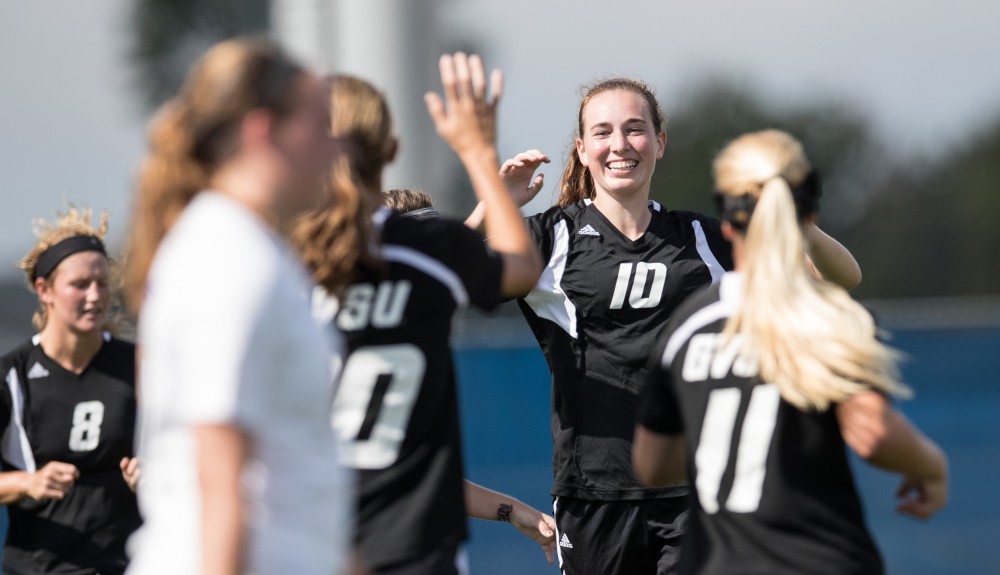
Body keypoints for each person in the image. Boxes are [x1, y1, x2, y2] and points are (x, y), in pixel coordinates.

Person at [488, 78, 864, 575]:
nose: (619, 144)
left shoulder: (701, 239)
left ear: (659, 142)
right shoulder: (551, 240)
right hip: (595, 494)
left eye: (635, 129)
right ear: (581, 150)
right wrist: (494, 203)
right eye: (602, 132)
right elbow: (446, 278)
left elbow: (839, 279)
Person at [632, 129, 948, 574]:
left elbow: (653, 464)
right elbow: (873, 433)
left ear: (726, 221)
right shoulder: (829, 315)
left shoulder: (688, 325)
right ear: (809, 211)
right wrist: (931, 465)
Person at [290, 56, 550, 573]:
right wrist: (478, 155)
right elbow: (516, 267)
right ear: (391, 150)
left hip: (304, 543)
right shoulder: (426, 252)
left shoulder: (278, 262)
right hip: (412, 545)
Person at [121, 37, 351, 575]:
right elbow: (220, 487)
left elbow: (285, 476)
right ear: (263, 130)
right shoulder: (227, 259)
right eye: (320, 124)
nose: (336, 148)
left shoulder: (255, 250)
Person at [0, 206, 142, 574]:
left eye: (103, 283)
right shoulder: (11, 376)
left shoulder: (142, 366)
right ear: (44, 290)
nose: (95, 296)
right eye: (80, 285)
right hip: (38, 566)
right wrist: (28, 482)